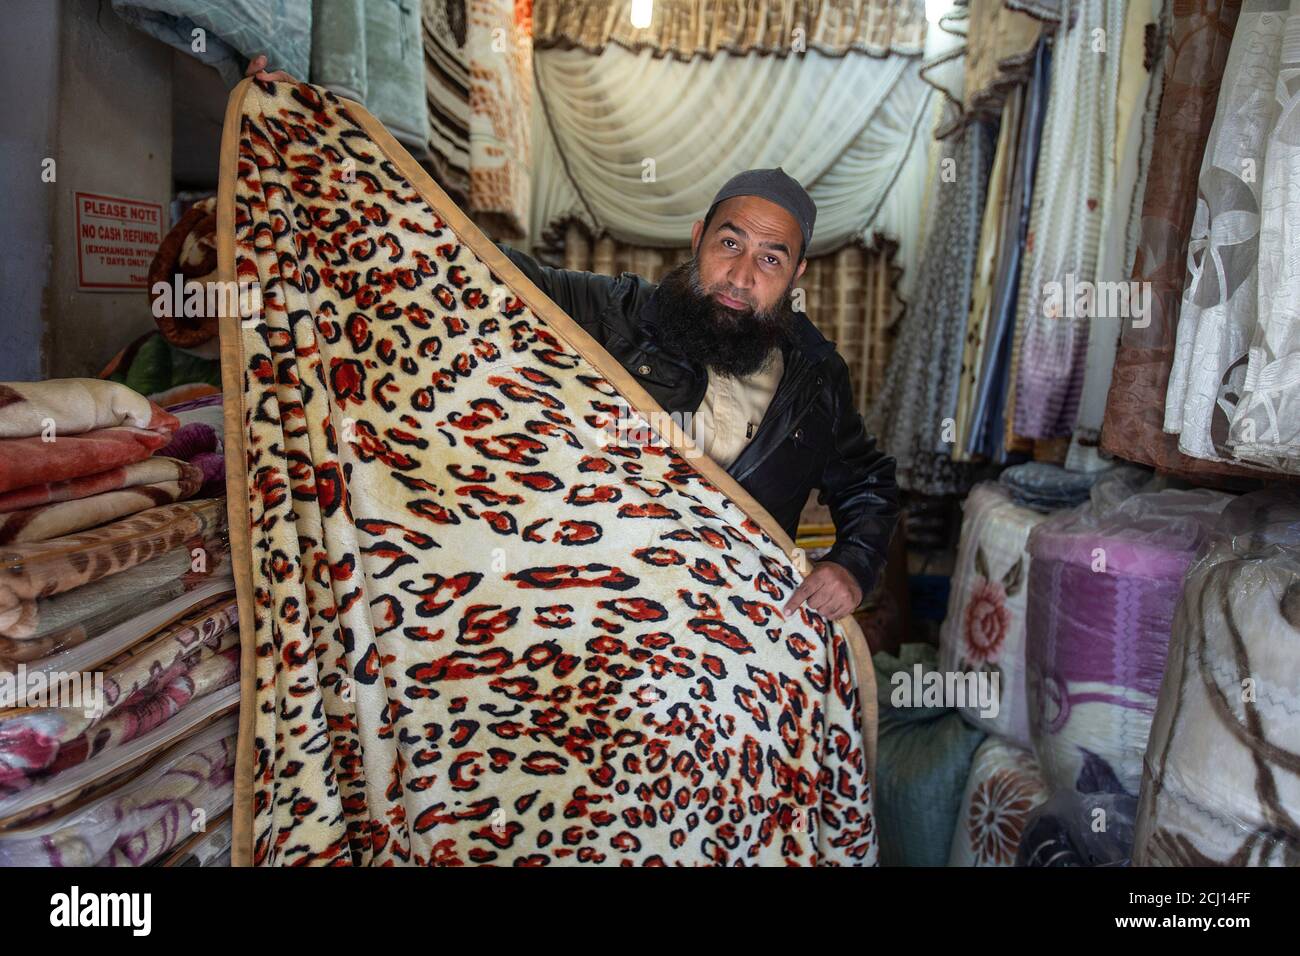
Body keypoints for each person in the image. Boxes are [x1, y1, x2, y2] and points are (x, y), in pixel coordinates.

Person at [243, 58, 899, 622]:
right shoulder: (614, 313)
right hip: (594, 615)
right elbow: (469, 260)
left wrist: (852, 565)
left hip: (731, 633)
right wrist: (326, 142)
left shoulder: (816, 376)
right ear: (698, 238)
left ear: (795, 275)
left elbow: (869, 481)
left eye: (770, 259)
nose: (741, 276)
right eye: (730, 244)